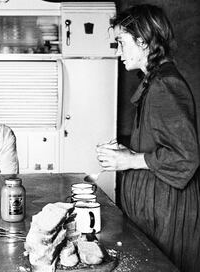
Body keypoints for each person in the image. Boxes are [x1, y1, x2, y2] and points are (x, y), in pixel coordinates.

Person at [96, 4, 200, 271]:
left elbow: (185, 158)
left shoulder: (165, 85)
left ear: (142, 41)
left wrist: (130, 160)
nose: (118, 51)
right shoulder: (155, 80)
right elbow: (159, 142)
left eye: (121, 42)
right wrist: (125, 152)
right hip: (155, 209)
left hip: (167, 211)